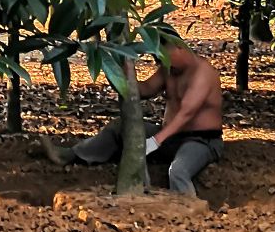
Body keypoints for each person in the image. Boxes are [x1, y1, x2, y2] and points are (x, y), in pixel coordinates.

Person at [49, 38, 226, 198]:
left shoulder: (203, 73)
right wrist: (121, 72)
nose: (162, 63)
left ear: (180, 48)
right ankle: (71, 155)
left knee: (178, 171)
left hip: (202, 141)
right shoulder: (168, 69)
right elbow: (145, 89)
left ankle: (190, 212)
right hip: (171, 137)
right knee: (120, 127)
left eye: (165, 57)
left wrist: (155, 142)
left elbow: (186, 114)